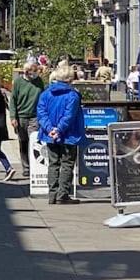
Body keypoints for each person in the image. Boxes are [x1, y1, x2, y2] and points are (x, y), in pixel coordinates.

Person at [36, 65, 85, 205]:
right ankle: (62, 195)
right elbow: (69, 116)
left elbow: (41, 113)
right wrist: (58, 129)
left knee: (53, 163)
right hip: (69, 135)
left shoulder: (45, 94)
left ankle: (52, 194)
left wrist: (50, 129)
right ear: (70, 78)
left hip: (49, 134)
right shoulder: (72, 95)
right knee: (67, 163)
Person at [10, 63, 44, 179]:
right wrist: (13, 117)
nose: (34, 75)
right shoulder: (18, 83)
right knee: (23, 142)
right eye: (32, 73)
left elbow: (42, 97)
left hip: (35, 116)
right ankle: (26, 167)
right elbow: (13, 100)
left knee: (34, 141)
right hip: (21, 116)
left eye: (36, 72)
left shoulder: (39, 82)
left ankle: (35, 166)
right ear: (26, 72)